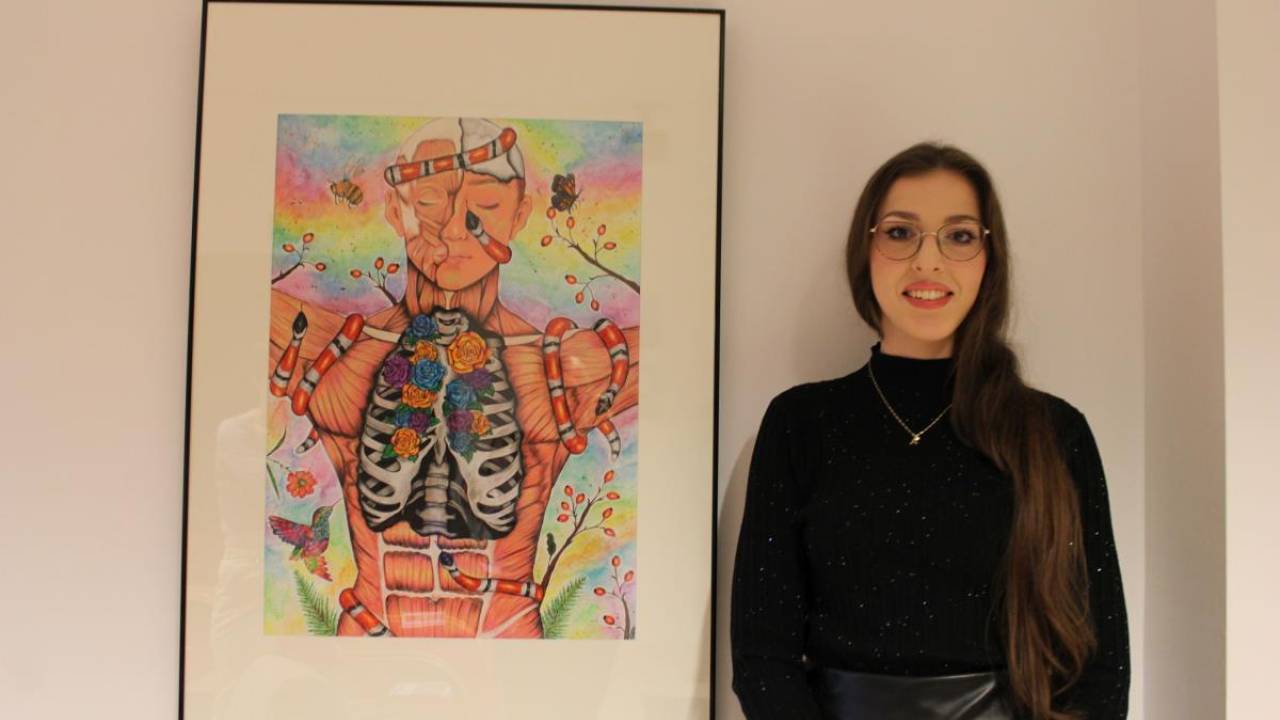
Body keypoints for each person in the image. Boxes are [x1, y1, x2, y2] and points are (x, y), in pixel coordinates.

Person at [729, 143, 1130, 719]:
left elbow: (1102, 666)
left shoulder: (1053, 432)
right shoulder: (801, 424)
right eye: (901, 233)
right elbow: (763, 658)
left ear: (989, 258)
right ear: (865, 249)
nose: (928, 261)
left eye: (959, 236)